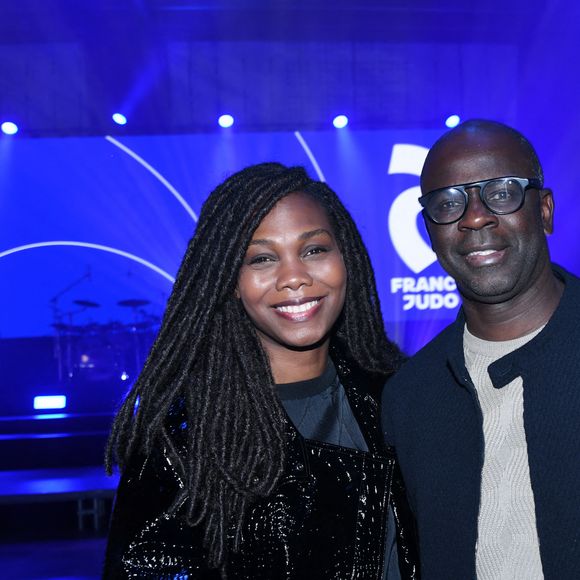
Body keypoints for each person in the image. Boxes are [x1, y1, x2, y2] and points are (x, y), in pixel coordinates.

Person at [104, 162, 418, 579]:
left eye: (314, 250)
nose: (293, 277)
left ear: (348, 259)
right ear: (230, 281)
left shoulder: (400, 396)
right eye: (262, 258)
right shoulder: (181, 439)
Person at [382, 119, 580, 579]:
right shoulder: (411, 397)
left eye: (502, 192)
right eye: (448, 203)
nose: (474, 216)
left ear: (545, 210)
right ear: (430, 231)